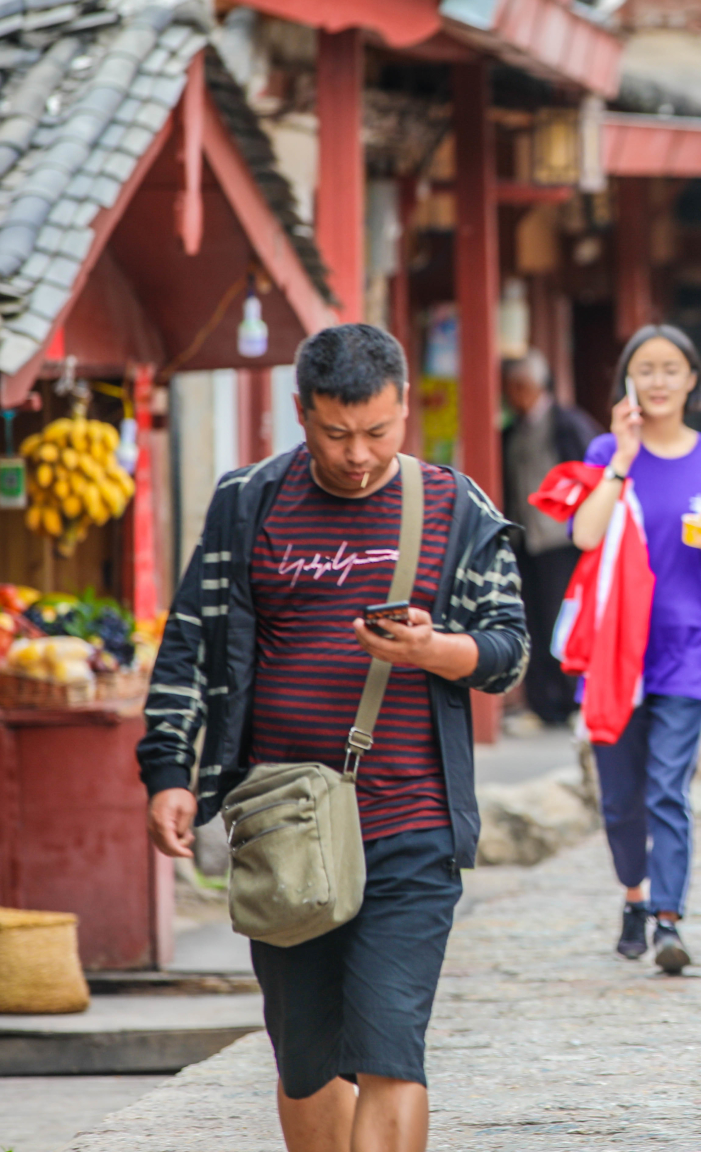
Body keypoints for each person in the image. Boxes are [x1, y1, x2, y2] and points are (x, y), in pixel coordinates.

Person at [139, 324, 528, 1152]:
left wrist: (435, 649)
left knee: (391, 1050)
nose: (358, 454)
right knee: (308, 1058)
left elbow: (507, 650)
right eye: (335, 432)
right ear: (300, 414)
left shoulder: (457, 507)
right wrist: (170, 768)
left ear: (405, 412)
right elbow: (188, 641)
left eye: (379, 432)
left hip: (411, 821)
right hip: (285, 822)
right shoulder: (247, 501)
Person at [573, 324, 701, 973]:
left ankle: (668, 919)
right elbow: (584, 534)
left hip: (688, 647)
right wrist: (621, 458)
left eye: (670, 368)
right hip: (612, 651)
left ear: (692, 381)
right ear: (628, 380)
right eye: (644, 369)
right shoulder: (604, 450)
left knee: (667, 790)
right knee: (620, 798)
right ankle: (634, 893)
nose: (657, 380)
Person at [500, 351, 601, 726]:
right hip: (526, 542)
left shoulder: (568, 424)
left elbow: (593, 478)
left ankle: (575, 701)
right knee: (534, 621)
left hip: (563, 542)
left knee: (566, 621)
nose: (510, 395)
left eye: (514, 387)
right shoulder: (512, 430)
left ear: (530, 386)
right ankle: (545, 706)